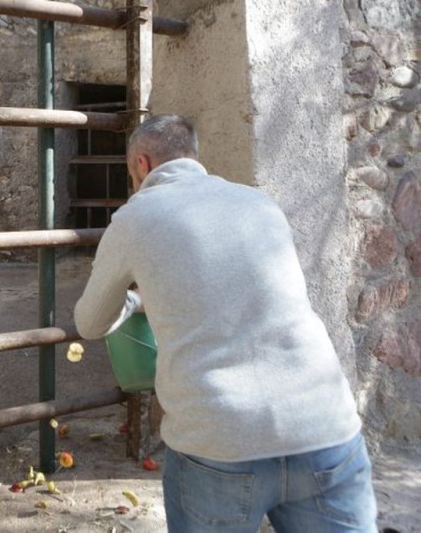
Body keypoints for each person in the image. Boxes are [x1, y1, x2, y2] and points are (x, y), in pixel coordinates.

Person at [74, 114, 377, 532]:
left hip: (220, 440)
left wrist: (131, 300)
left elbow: (90, 322)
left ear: (141, 164)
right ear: (193, 156)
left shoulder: (135, 217)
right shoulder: (259, 202)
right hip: (326, 426)